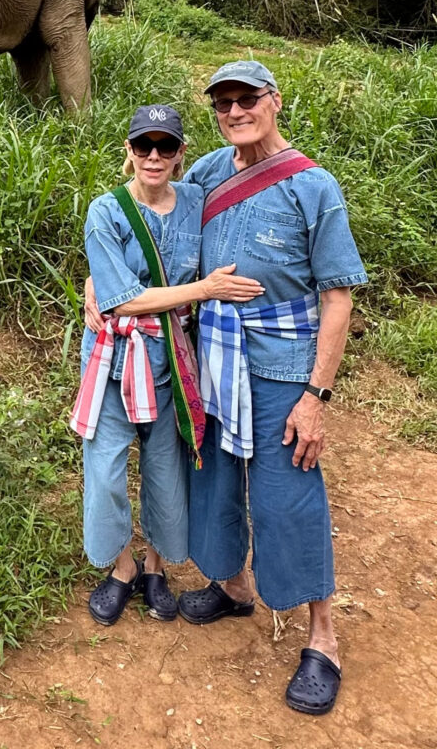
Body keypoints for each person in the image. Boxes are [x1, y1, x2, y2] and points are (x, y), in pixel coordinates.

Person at [177, 60, 367, 716]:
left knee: (289, 498)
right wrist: (102, 280)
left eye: (246, 98)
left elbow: (337, 297)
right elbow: (162, 230)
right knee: (217, 480)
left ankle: (323, 639)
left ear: (274, 101)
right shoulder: (204, 173)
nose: (234, 111)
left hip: (284, 368)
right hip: (214, 358)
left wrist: (317, 396)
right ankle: (231, 587)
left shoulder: (314, 188)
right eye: (222, 103)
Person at [72, 105, 263, 627]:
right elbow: (120, 298)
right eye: (142, 146)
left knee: (166, 469)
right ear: (128, 152)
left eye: (165, 146)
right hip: (114, 356)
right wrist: (203, 289)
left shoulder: (198, 202)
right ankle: (122, 567)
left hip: (172, 360)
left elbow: (244, 160)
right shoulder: (105, 211)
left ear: (181, 155)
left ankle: (155, 566)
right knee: (106, 468)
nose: (153, 156)